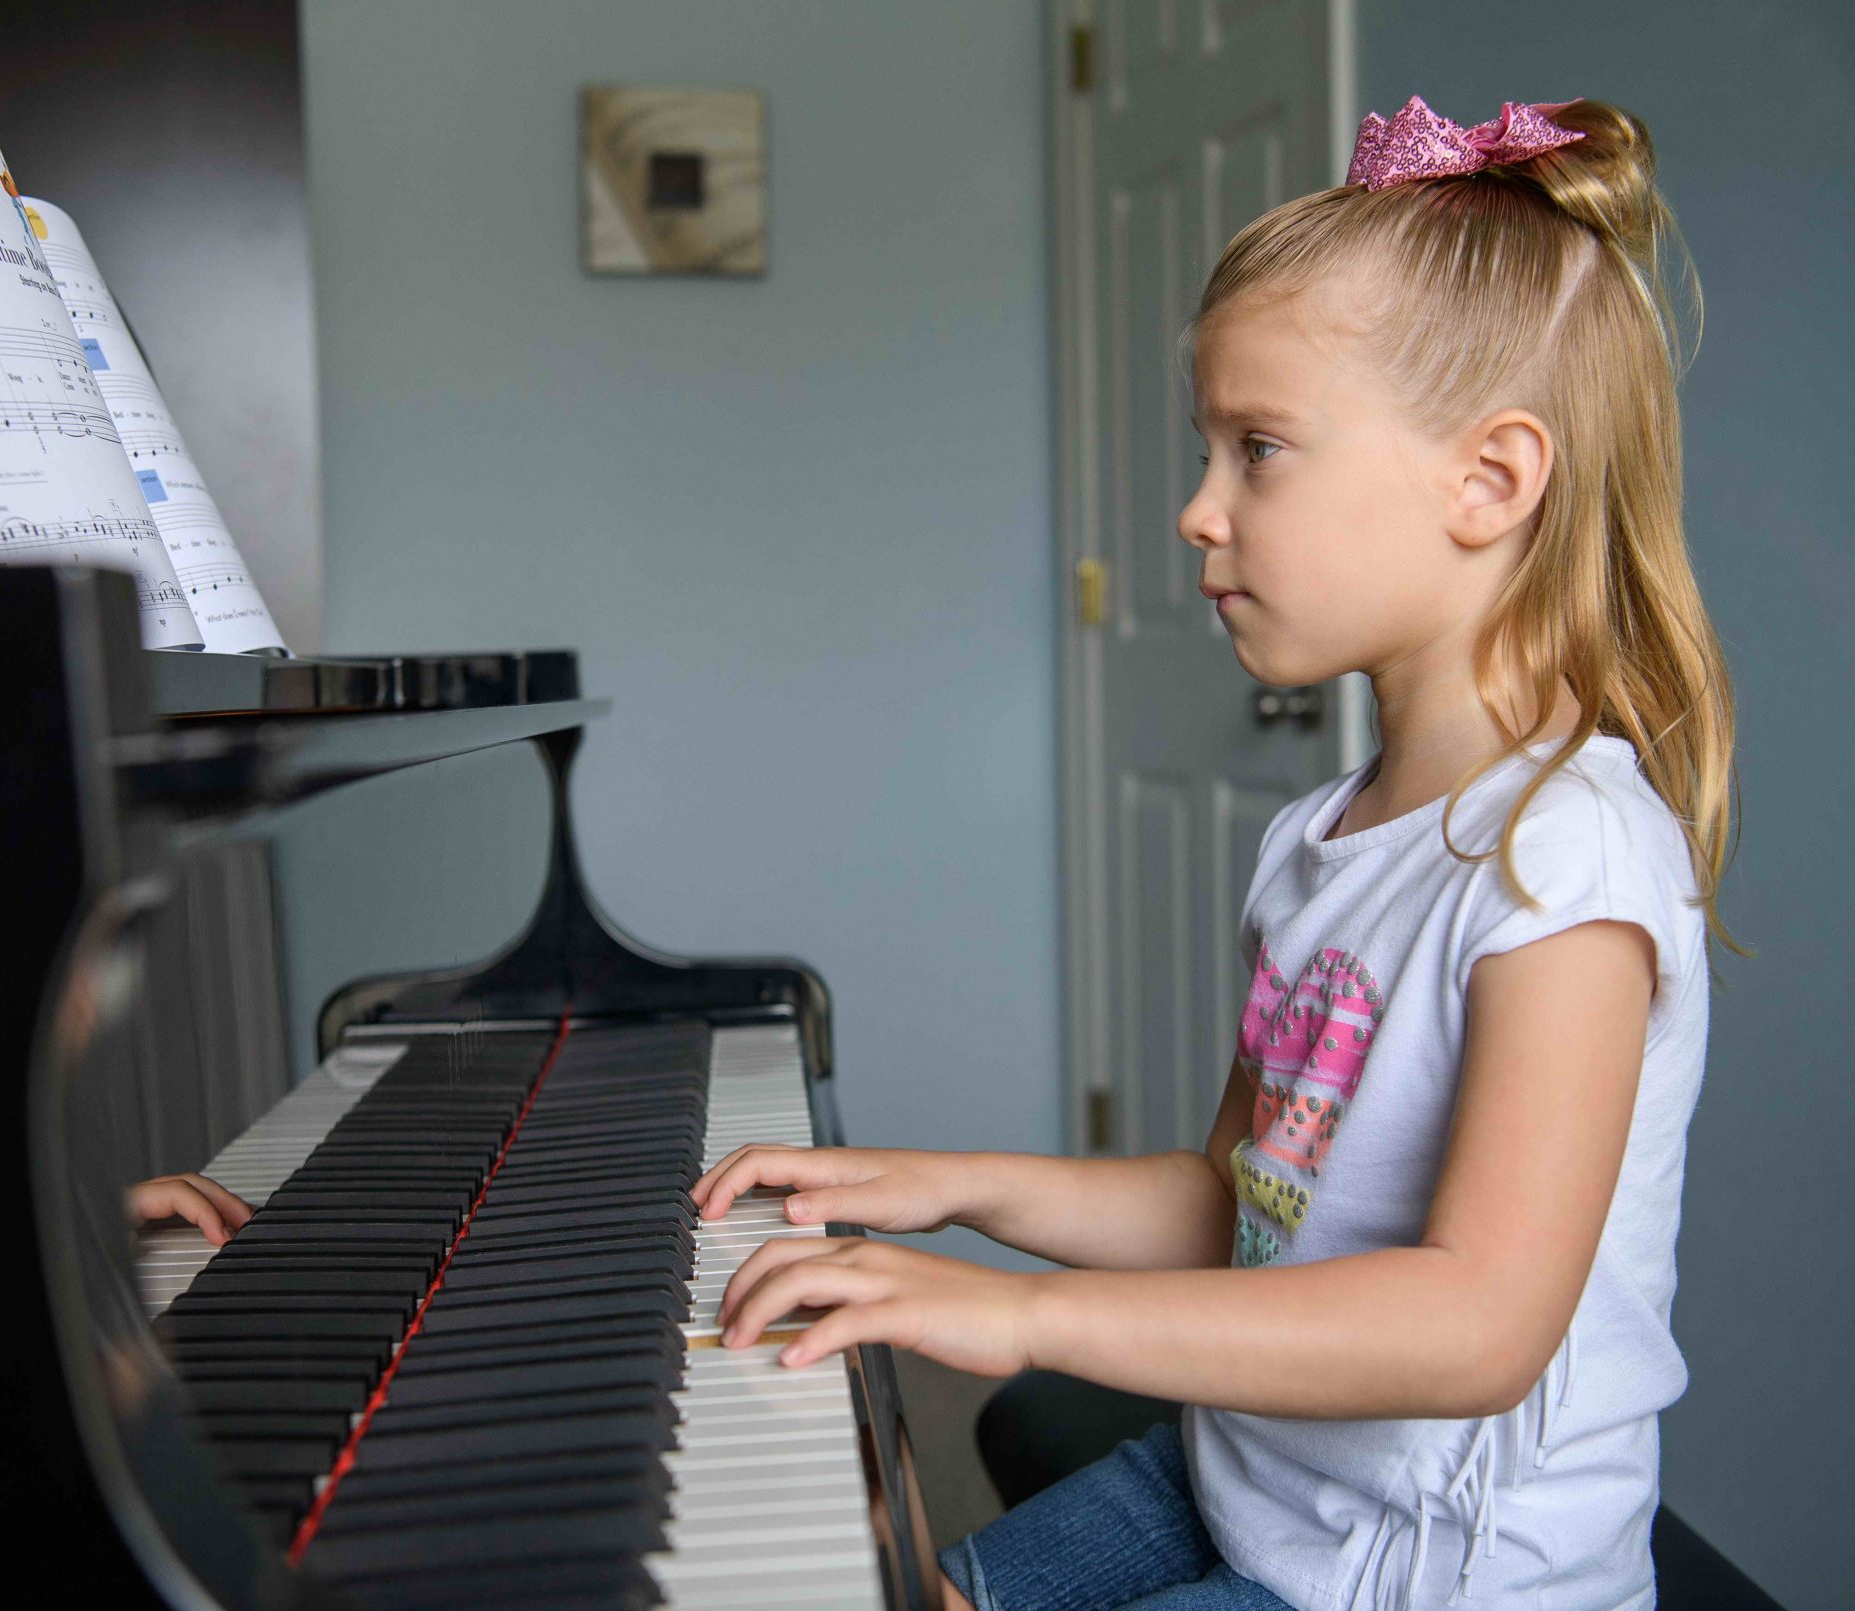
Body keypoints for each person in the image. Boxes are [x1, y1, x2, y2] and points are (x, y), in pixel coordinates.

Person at [694, 96, 1737, 1611]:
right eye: (1209, 451)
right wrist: (944, 1184)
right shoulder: (1323, 836)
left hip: (1428, 1583)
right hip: (1249, 1474)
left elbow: (1476, 1327)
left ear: (1490, 483)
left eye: (1259, 450)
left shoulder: (1567, 864)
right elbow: (1235, 1202)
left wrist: (1022, 1324)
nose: (1197, 511)